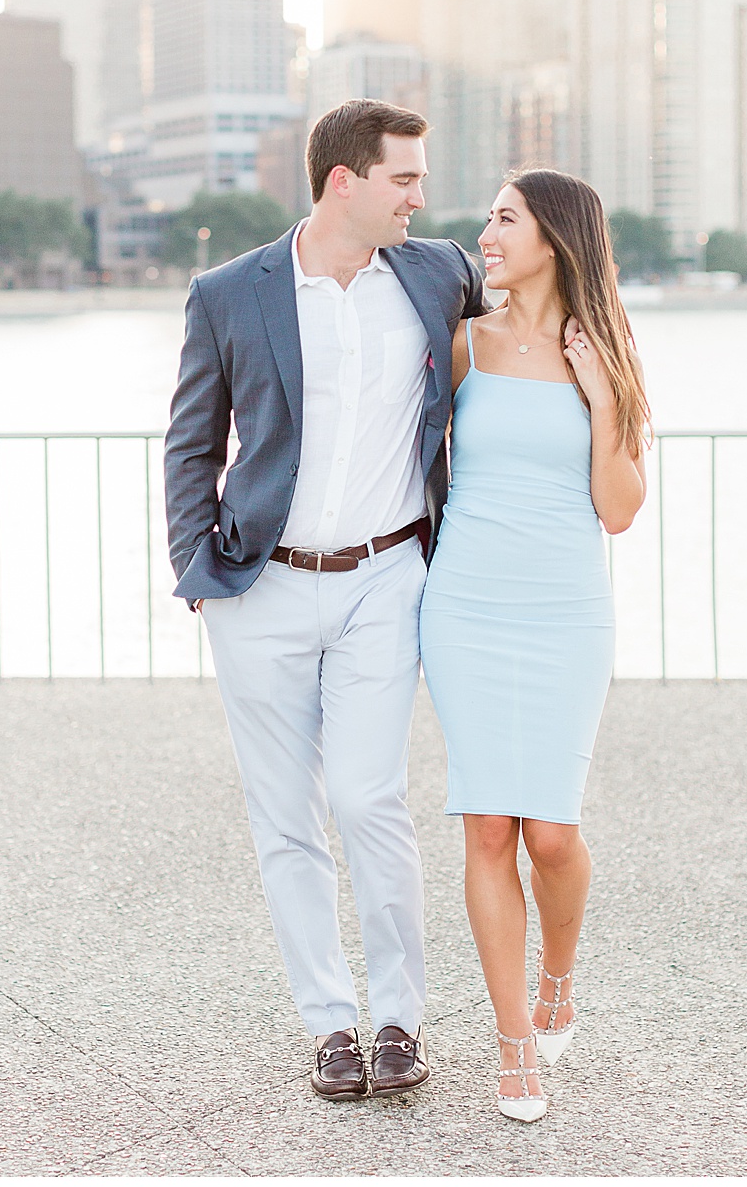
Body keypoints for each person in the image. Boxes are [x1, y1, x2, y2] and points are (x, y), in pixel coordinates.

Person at [163, 99, 487, 1102]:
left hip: (387, 578)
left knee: (366, 795)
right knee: (286, 816)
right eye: (404, 178)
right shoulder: (230, 291)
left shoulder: (438, 273)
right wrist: (196, 568)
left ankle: (399, 1019)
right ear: (344, 181)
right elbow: (192, 440)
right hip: (258, 586)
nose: (420, 196)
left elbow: (530, 322)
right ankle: (331, 1024)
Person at [419, 169, 649, 1122]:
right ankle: (514, 1042)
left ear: (553, 236)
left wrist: (603, 402)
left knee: (550, 834)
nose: (487, 232)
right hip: (466, 608)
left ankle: (559, 975)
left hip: (565, 613)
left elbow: (619, 511)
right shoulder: (463, 342)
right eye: (489, 217)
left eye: (505, 218)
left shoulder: (606, 350)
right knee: (487, 827)